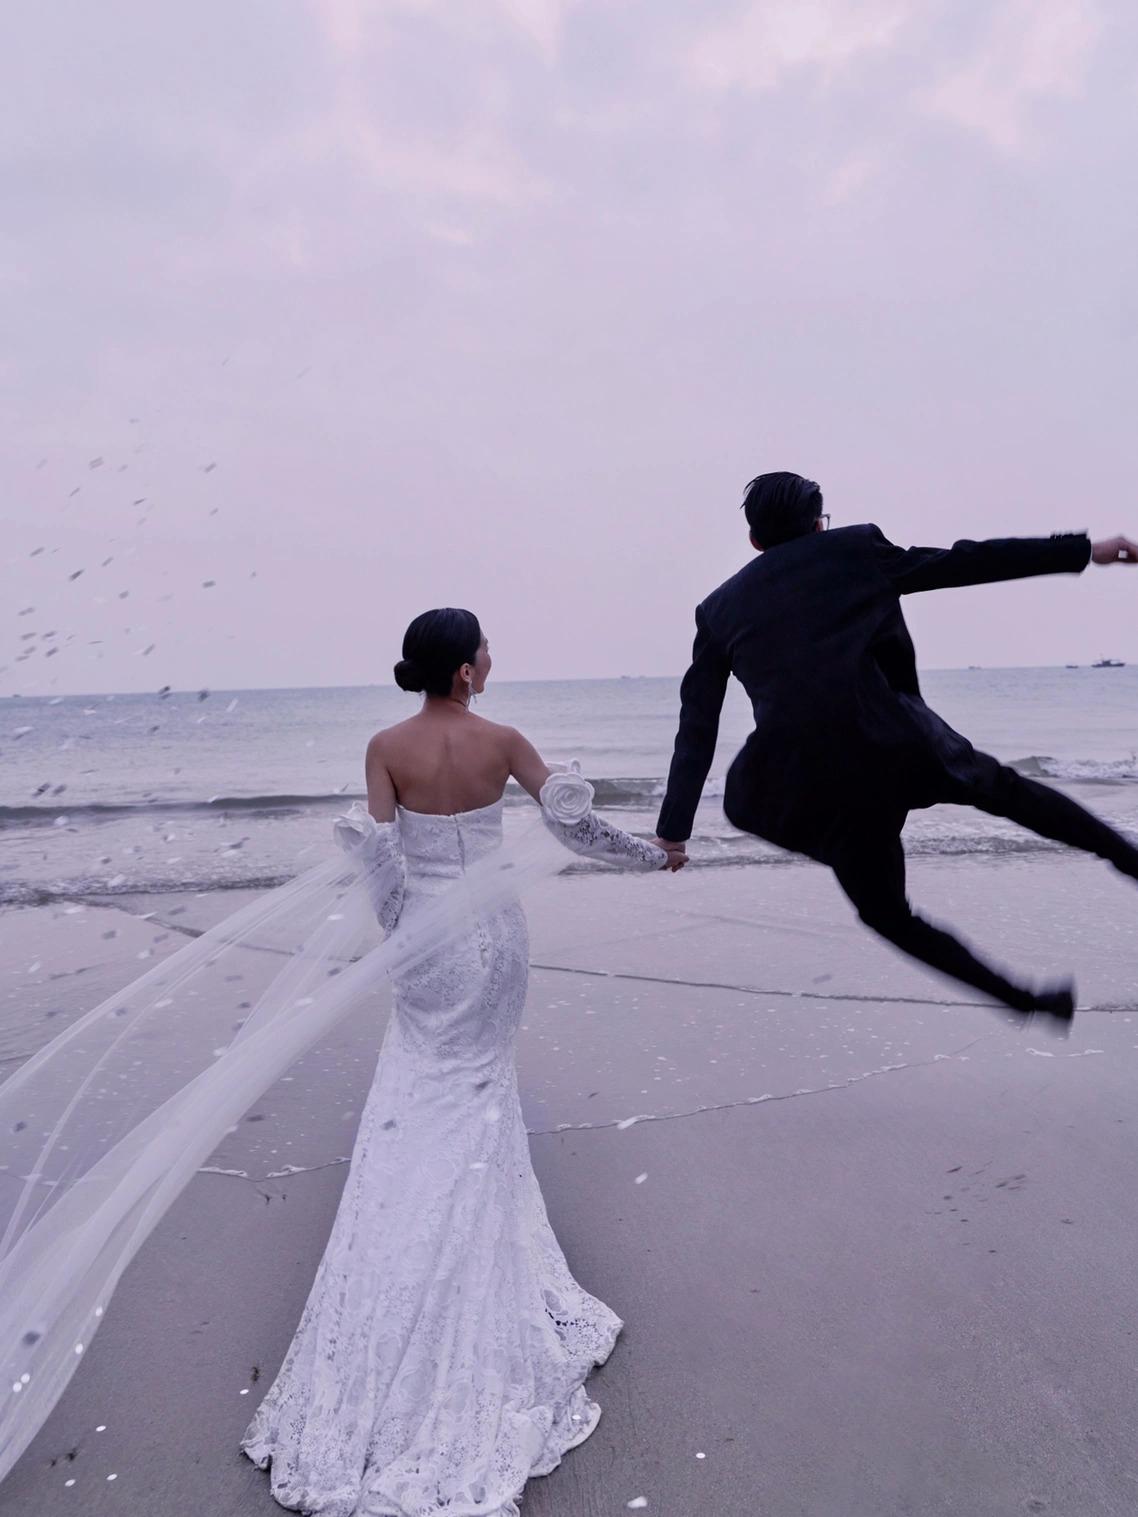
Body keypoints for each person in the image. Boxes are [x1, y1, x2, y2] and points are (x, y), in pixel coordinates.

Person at [241, 607, 677, 1517]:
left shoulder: (385, 745)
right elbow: (576, 831)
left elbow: (383, 868)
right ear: (467, 669)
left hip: (426, 949)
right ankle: (471, 1258)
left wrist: (407, 936)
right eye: (485, 647)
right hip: (495, 944)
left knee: (420, 1098)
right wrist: (653, 855)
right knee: (481, 1095)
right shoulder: (504, 740)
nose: (490, 656)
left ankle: (405, 1252)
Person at [654, 470, 1138, 1025]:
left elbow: (698, 726)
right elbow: (966, 562)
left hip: (815, 783)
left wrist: (673, 832)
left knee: (884, 911)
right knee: (1010, 793)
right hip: (900, 743)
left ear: (753, 540)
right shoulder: (856, 550)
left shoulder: (717, 610)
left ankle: (1028, 1002)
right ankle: (1129, 859)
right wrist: (1085, 550)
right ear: (818, 525)